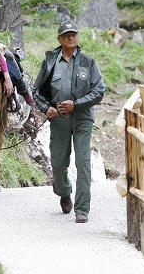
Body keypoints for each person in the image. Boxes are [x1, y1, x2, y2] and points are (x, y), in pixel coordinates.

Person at [33, 20, 105, 223]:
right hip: (59, 120)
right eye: (66, 35)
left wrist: (77, 104)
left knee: (82, 163)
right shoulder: (49, 62)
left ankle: (82, 209)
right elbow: (36, 91)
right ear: (59, 39)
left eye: (73, 34)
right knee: (57, 163)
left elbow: (98, 91)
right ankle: (64, 192)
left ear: (77, 36)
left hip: (83, 119)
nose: (70, 37)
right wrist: (46, 108)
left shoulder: (88, 62)